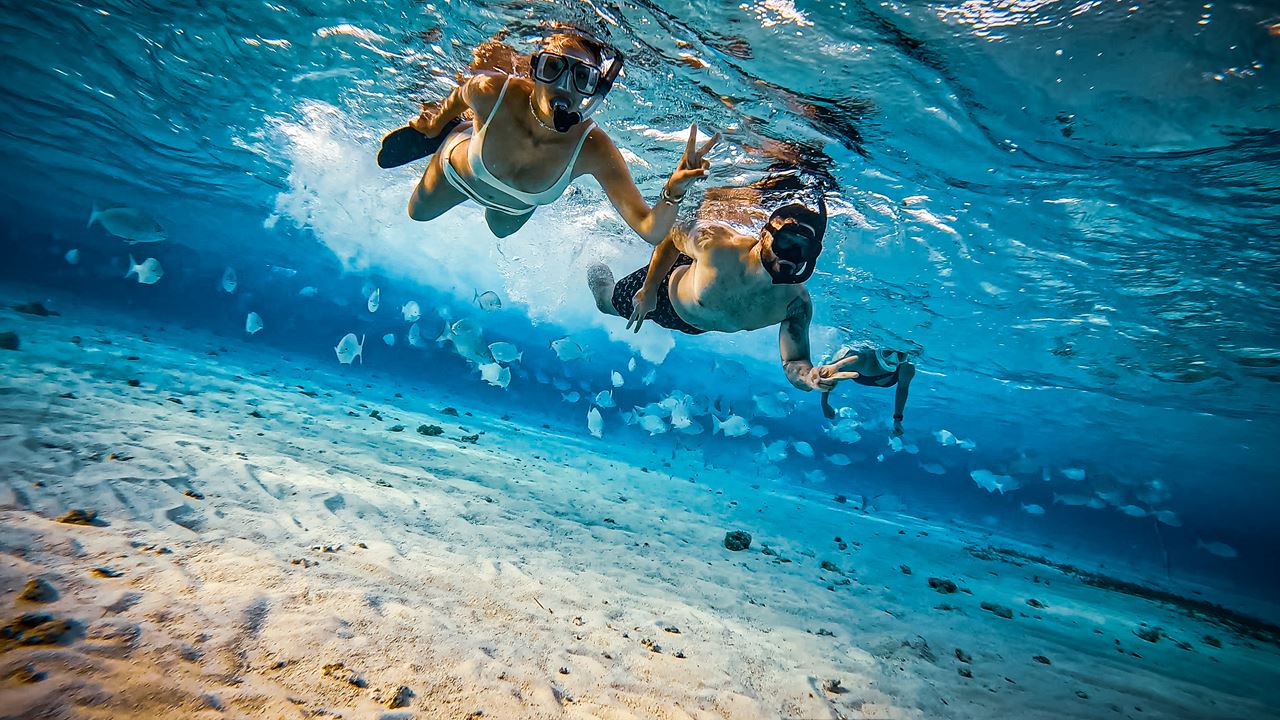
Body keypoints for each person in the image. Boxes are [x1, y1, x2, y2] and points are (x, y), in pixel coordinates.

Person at [588, 174, 897, 420]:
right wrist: (650, 289)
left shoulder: (795, 304)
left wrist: (810, 377)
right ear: (765, 234)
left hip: (700, 318)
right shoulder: (718, 247)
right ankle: (592, 257)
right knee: (605, 302)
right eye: (787, 242)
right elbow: (670, 237)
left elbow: (794, 360)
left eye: (803, 250)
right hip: (669, 293)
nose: (790, 257)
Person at [378, 29, 718, 240]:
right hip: (458, 173)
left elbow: (650, 229)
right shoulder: (494, 91)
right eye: (553, 68)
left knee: (499, 232)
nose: (564, 87)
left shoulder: (593, 147)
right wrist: (435, 125)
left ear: (594, 90)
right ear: (534, 69)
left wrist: (673, 192)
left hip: (515, 206)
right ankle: (464, 130)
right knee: (417, 213)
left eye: (582, 78)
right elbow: (459, 96)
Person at [819, 347, 915, 436]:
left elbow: (902, 389)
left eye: (901, 355)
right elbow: (827, 374)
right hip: (847, 359)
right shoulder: (860, 360)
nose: (893, 359)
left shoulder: (906, 368)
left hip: (858, 373)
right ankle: (829, 355)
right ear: (879, 351)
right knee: (830, 369)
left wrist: (897, 420)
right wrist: (824, 403)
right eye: (887, 352)